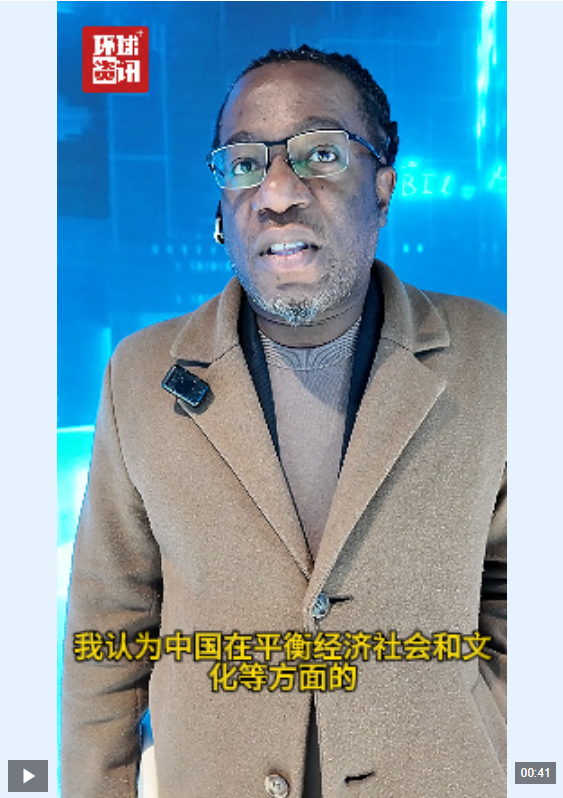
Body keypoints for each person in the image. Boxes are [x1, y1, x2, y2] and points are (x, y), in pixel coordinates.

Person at [62, 45, 506, 798]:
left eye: (320, 153)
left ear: (383, 186)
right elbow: (109, 626)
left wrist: (492, 733)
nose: (275, 193)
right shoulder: (139, 377)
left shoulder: (493, 357)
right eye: (244, 163)